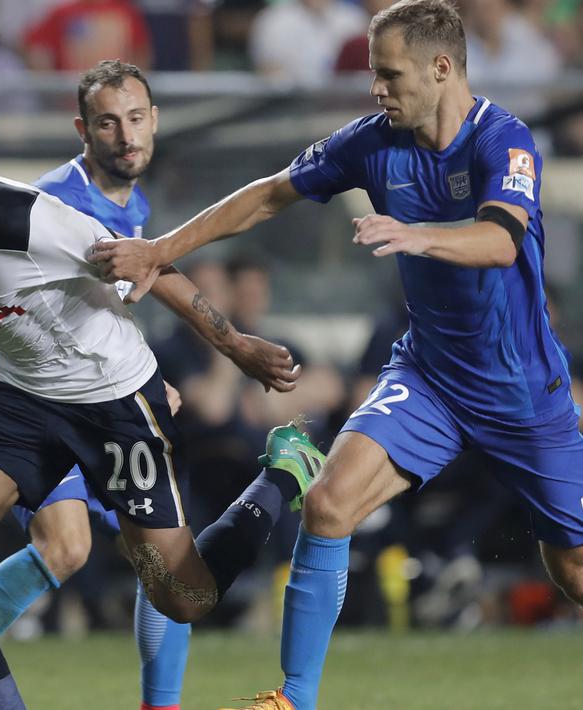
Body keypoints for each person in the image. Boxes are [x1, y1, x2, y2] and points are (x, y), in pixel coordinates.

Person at [90, 1, 583, 707]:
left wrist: (418, 235)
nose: (375, 89)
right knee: (327, 504)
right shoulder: (370, 140)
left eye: (388, 75)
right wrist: (159, 249)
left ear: (441, 68)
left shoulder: (501, 141)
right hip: (431, 378)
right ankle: (295, 698)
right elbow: (267, 197)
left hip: (522, 393)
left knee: (571, 569)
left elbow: (501, 240)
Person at [0, 95, 324, 710]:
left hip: (112, 398)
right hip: (22, 394)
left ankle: (282, 476)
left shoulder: (20, 216)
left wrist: (235, 343)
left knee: (184, 598)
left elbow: (148, 264)